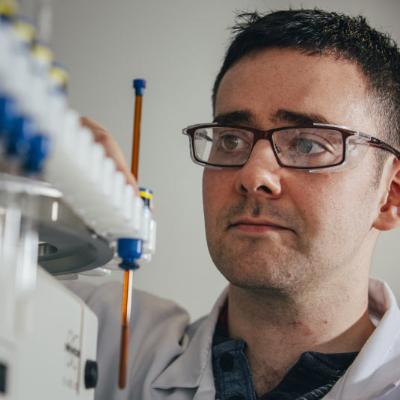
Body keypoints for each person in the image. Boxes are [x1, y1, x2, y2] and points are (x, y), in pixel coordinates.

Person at [69, 8, 400, 400]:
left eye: (308, 144)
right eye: (231, 139)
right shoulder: (97, 331)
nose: (252, 174)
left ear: (390, 195)